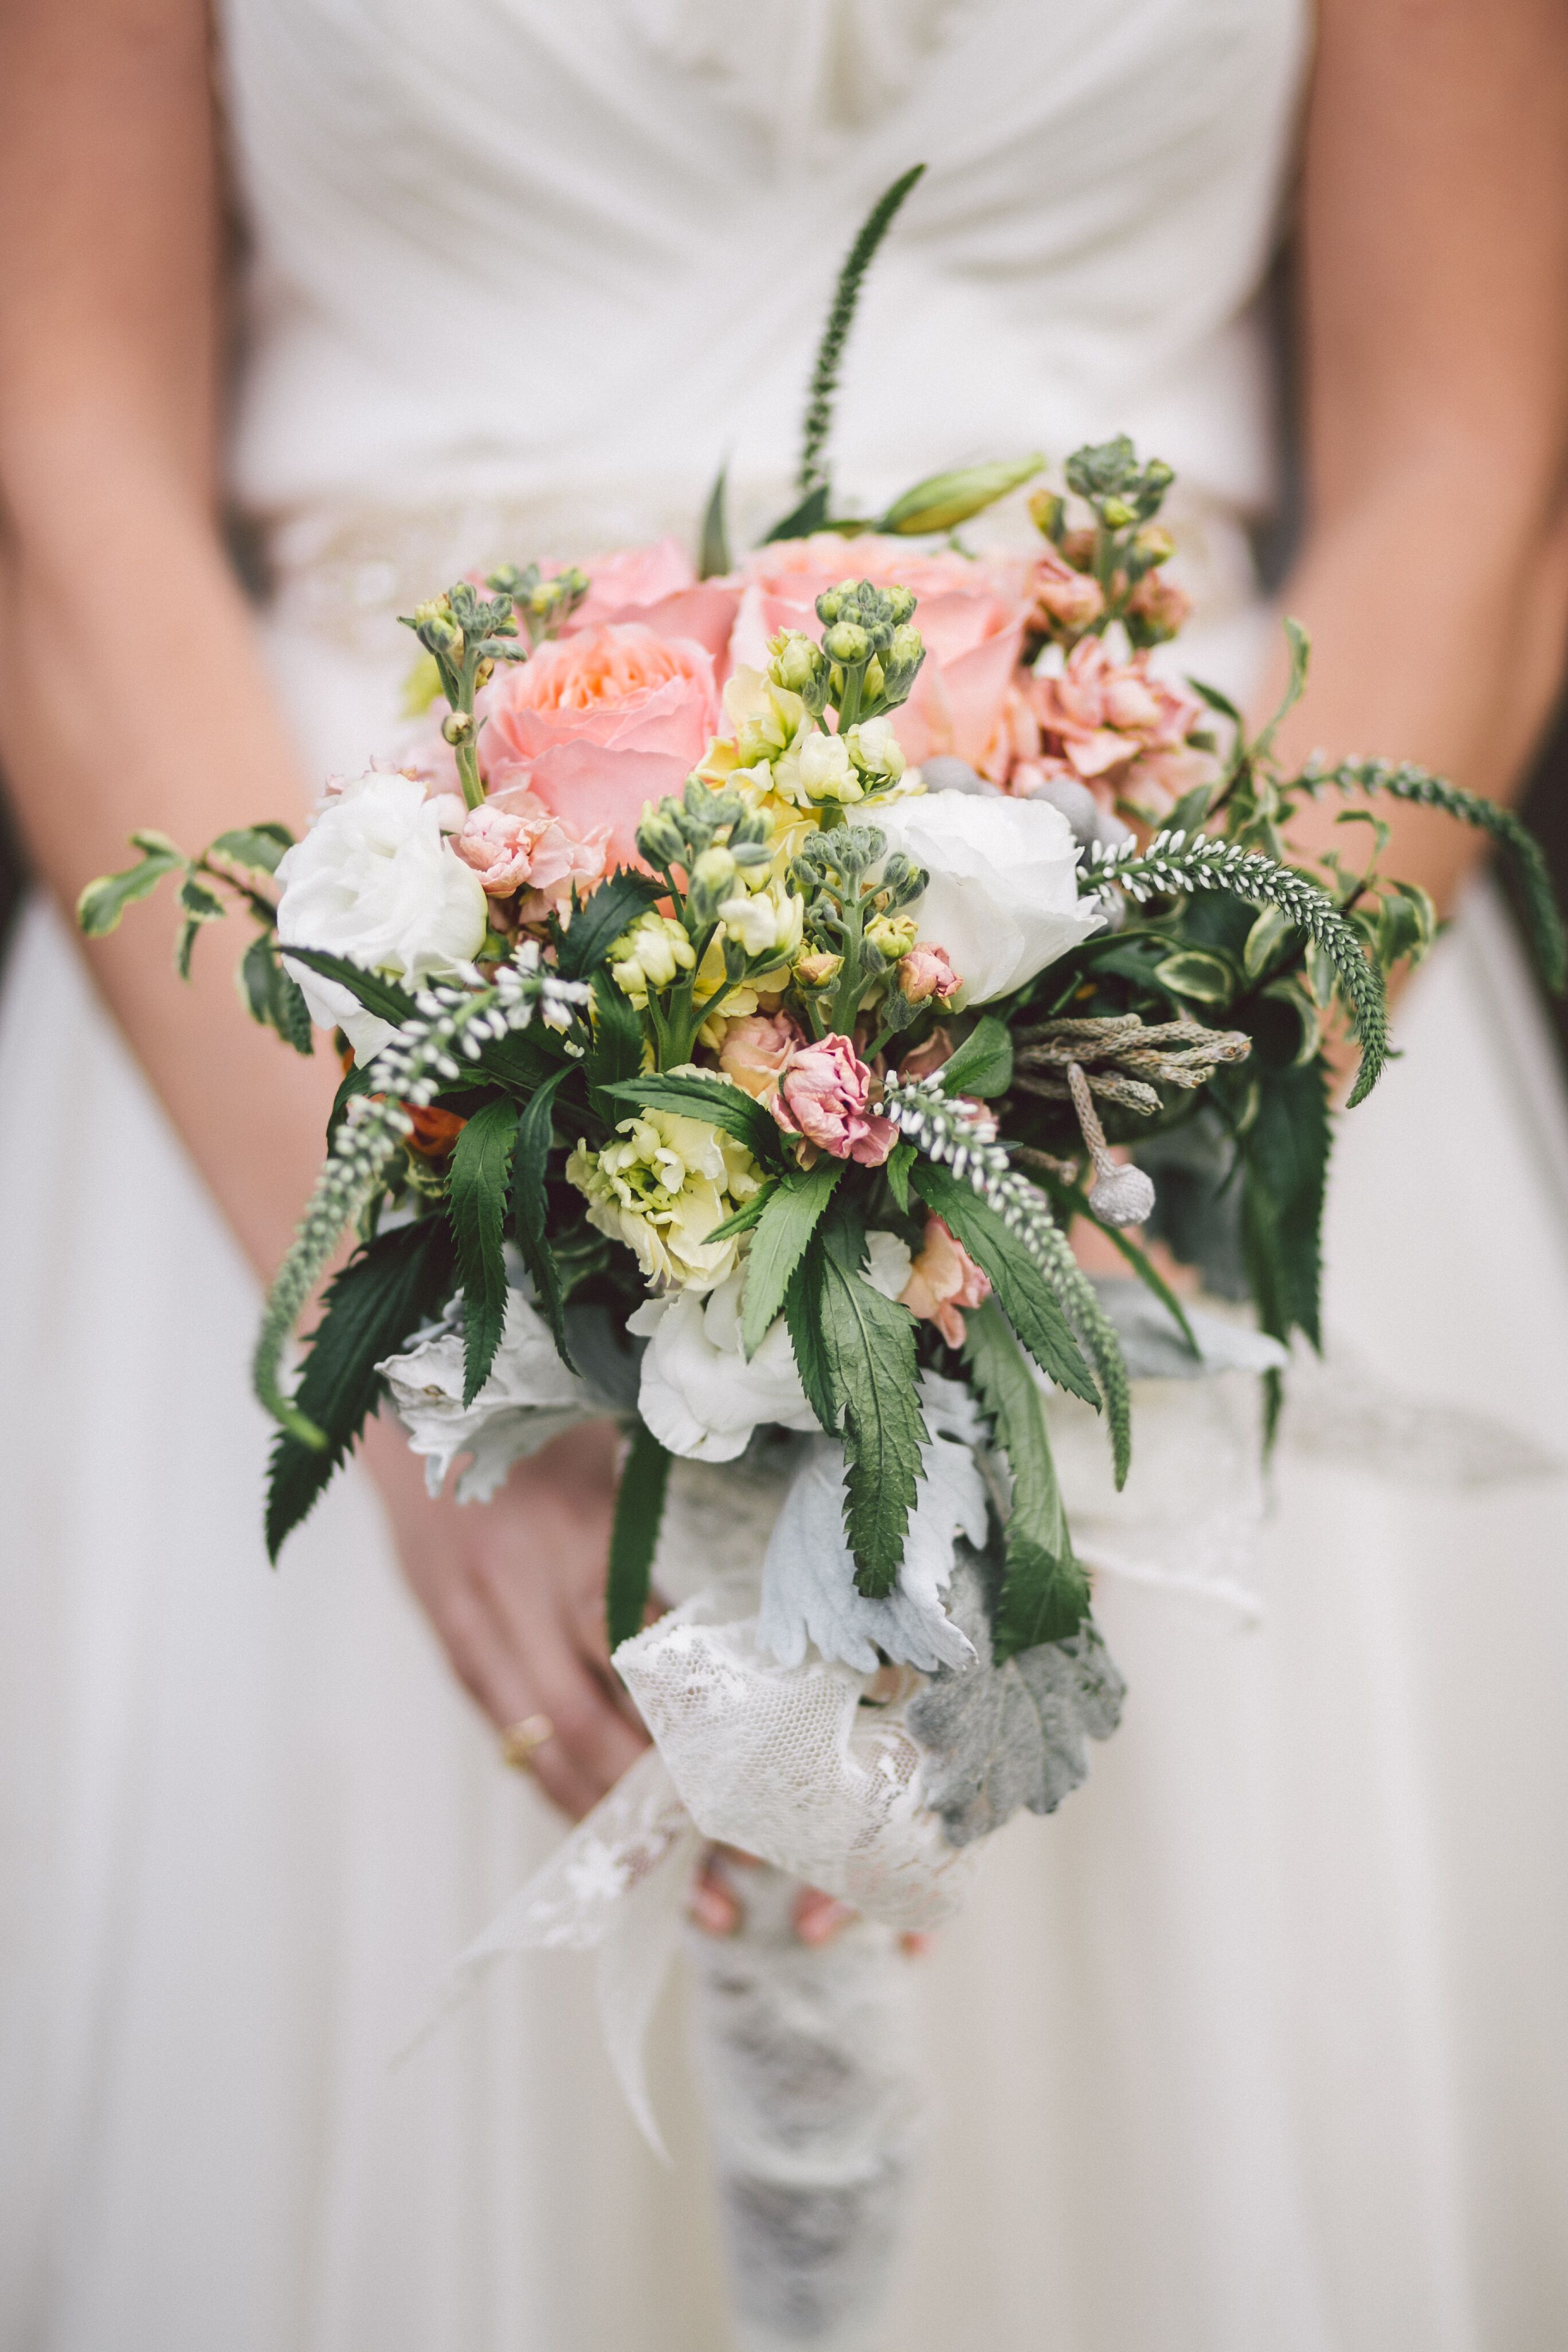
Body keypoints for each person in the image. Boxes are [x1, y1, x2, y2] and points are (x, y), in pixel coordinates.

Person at [2, 2, 1566, 2345]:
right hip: (339, 994)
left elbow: (1476, 457)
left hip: (1180, 1019)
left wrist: (1086, 1207)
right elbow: (62, 467)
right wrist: (405, 1320)